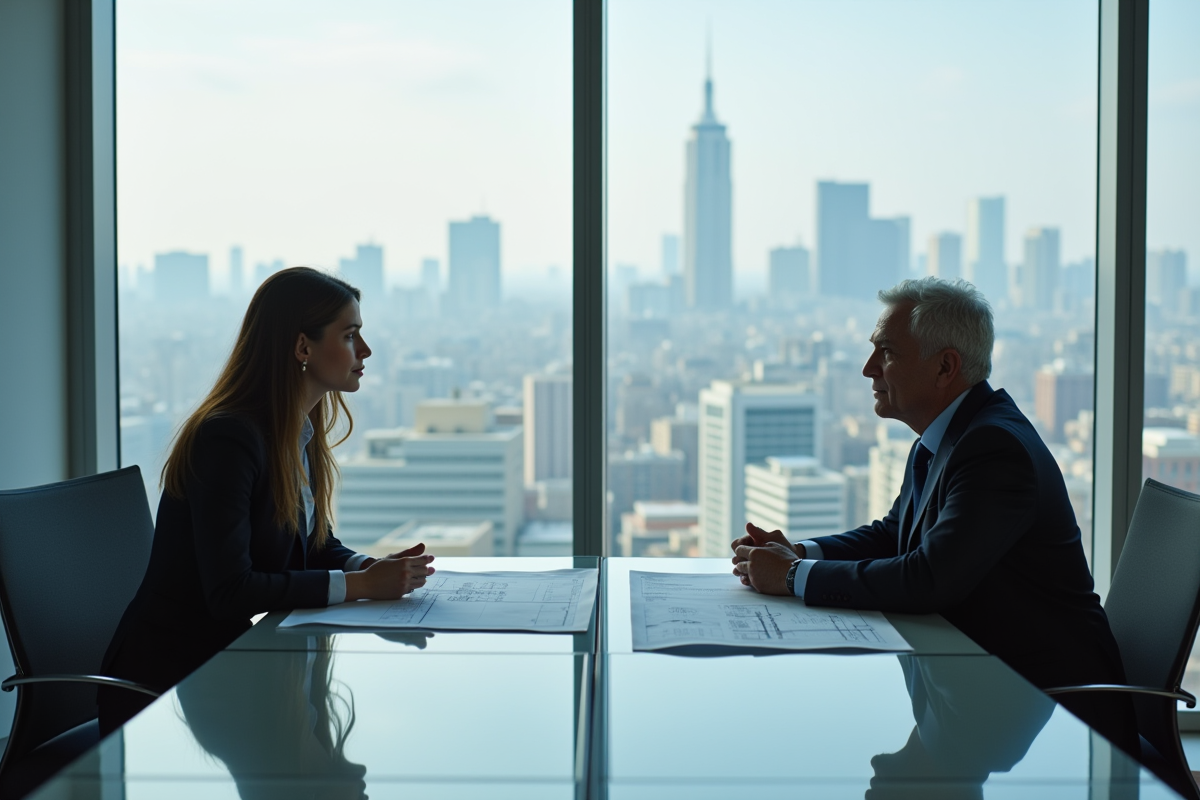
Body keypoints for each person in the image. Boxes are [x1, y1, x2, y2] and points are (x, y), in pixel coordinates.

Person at [731, 277, 1136, 753]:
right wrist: (798, 552)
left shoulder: (993, 448)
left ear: (945, 366)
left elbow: (928, 578)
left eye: (886, 353)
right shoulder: (951, 435)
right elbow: (894, 534)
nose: (867, 369)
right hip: (984, 689)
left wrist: (796, 575)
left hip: (1050, 712)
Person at [99, 267, 434, 734]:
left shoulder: (296, 433)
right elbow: (230, 592)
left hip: (228, 668)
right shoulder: (227, 439)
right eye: (351, 335)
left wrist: (368, 567)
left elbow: (312, 547)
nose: (366, 351)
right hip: (167, 689)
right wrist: (360, 587)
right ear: (303, 348)